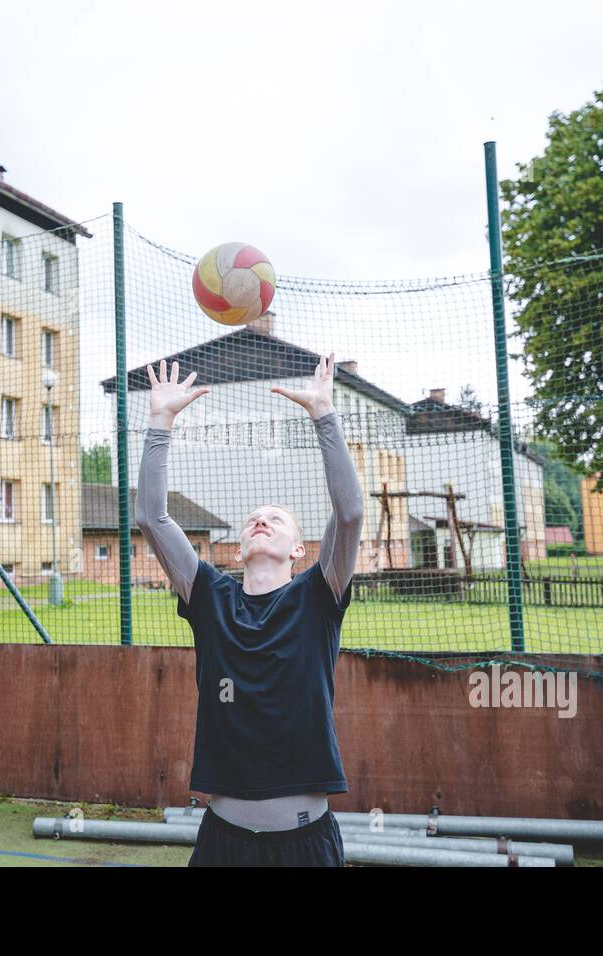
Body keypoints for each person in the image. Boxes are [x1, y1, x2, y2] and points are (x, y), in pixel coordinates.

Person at [134, 353, 364, 867]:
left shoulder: (318, 595)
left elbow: (348, 512)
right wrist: (160, 422)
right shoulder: (209, 596)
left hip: (304, 843)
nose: (262, 520)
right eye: (253, 519)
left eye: (276, 518)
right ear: (237, 549)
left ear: (299, 549)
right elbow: (151, 515)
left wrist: (324, 416)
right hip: (224, 842)